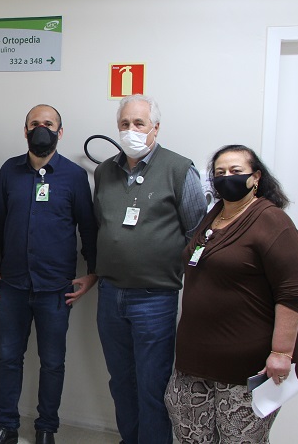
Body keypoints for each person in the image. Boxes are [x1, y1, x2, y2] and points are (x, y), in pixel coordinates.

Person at [165, 145, 298, 443]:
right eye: (220, 172)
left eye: (236, 171)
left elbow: (292, 292)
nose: (227, 177)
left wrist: (282, 353)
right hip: (195, 359)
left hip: (246, 365)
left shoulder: (271, 221)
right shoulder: (215, 215)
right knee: (191, 436)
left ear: (256, 177)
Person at [0, 104, 97, 444]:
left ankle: (46, 428)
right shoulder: (9, 171)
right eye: (34, 123)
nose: (41, 129)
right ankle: (7, 426)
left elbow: (88, 229)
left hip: (56, 289)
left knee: (53, 362)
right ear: (25, 130)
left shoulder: (75, 176)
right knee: (9, 358)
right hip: (12, 285)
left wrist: (93, 273)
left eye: (48, 123)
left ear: (60, 132)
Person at [94, 94, 206, 444]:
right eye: (124, 123)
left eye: (139, 123)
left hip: (154, 298)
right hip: (110, 295)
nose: (131, 129)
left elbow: (198, 234)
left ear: (155, 128)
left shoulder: (179, 169)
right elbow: (102, 224)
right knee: (121, 382)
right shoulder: (104, 171)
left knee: (152, 386)